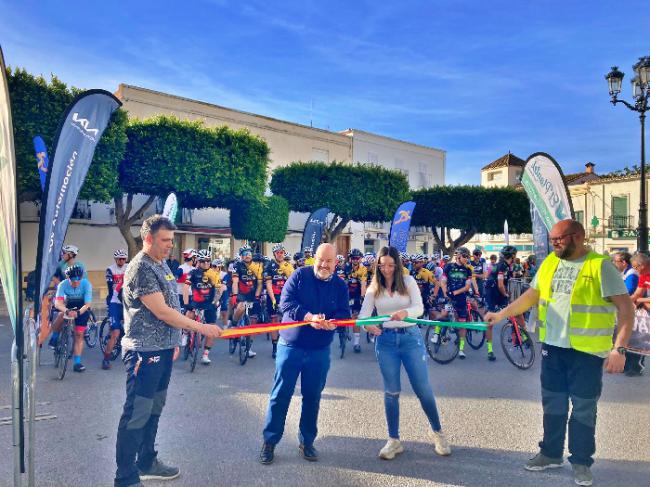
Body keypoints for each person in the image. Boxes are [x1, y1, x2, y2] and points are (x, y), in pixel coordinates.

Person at [485, 219, 633, 487]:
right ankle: (551, 454)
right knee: (553, 404)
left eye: (558, 239)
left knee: (583, 410)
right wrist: (502, 314)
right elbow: (531, 295)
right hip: (553, 347)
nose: (553, 243)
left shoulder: (600, 265)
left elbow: (626, 309)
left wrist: (619, 348)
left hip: (587, 352)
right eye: (552, 239)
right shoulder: (550, 263)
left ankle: (581, 462)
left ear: (577, 236)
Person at [115, 215, 222, 487]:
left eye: (172, 240)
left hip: (162, 350)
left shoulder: (160, 264)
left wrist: (174, 342)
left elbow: (171, 304)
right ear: (147, 238)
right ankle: (125, 477)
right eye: (165, 240)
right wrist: (200, 327)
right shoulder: (141, 268)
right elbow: (162, 312)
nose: (170, 246)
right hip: (144, 353)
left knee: (155, 408)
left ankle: (147, 461)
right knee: (137, 411)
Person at [260, 243, 350, 465]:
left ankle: (307, 441)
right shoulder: (300, 275)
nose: (323, 264)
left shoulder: (340, 285)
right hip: (291, 346)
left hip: (319, 350)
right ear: (314, 259)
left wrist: (333, 323)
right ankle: (269, 441)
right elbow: (286, 303)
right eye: (320, 259)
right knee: (280, 395)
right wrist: (309, 317)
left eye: (329, 261)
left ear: (336, 263)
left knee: (312, 397)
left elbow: (344, 313)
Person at [359, 246, 450, 460]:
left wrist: (405, 313)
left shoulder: (408, 282)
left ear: (397, 265)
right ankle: (394, 440)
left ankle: (437, 432)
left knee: (423, 389)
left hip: (410, 338)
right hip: (386, 342)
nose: (386, 269)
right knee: (391, 392)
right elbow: (363, 316)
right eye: (382, 265)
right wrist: (367, 327)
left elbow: (419, 308)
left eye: (391, 265)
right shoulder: (374, 287)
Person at [49, 264, 93, 372]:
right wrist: (67, 311)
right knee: (60, 315)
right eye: (73, 280)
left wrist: (78, 313)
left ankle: (77, 363)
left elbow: (87, 304)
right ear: (68, 278)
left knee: (79, 334)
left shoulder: (86, 284)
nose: (76, 282)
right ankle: (54, 337)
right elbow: (58, 303)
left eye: (78, 280)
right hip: (67, 305)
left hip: (82, 306)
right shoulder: (63, 285)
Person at [183, 249, 223, 365]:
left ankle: (205, 354)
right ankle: (185, 333)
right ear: (198, 262)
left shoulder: (214, 274)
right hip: (196, 302)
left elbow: (218, 290)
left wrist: (216, 301)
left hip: (209, 304)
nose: (206, 264)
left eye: (208, 261)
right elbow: (186, 288)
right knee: (189, 315)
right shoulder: (193, 273)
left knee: (211, 329)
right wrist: (186, 303)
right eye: (203, 261)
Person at [483, 245, 519, 362]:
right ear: (512, 256)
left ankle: (520, 335)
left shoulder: (508, 266)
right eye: (515, 255)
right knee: (490, 322)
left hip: (499, 291)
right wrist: (506, 294)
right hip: (493, 293)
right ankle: (489, 350)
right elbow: (500, 284)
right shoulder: (502, 266)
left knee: (514, 311)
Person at [230, 245, 263, 358]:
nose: (247, 255)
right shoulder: (237, 265)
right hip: (241, 293)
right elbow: (235, 282)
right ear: (241, 256)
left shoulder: (257, 266)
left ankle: (248, 346)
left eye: (249, 253)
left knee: (253, 321)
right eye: (245, 254)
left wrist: (257, 296)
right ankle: (234, 323)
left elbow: (259, 283)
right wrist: (234, 294)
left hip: (253, 294)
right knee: (241, 307)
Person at [440, 247, 473, 359]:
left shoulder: (468, 270)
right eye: (465, 256)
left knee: (462, 323)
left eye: (468, 257)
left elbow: (467, 286)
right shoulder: (449, 266)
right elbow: (443, 281)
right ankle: (436, 334)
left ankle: (461, 349)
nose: (466, 259)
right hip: (449, 297)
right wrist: (445, 293)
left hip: (461, 298)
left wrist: (455, 292)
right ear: (458, 256)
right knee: (444, 314)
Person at [265, 244, 295, 358]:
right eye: (277, 252)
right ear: (274, 254)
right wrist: (273, 299)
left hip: (286, 296)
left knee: (287, 320)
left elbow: (293, 283)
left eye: (281, 252)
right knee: (274, 321)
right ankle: (274, 346)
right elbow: (268, 284)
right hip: (273, 295)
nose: (280, 254)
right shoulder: (269, 266)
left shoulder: (288, 265)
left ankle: (287, 343)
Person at [103, 249, 128, 370]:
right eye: (119, 259)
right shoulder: (110, 269)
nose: (122, 261)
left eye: (124, 259)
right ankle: (106, 359)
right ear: (115, 259)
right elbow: (110, 287)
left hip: (127, 301)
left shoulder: (129, 268)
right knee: (115, 333)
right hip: (115, 301)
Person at [345, 248, 368, 352]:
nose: (355, 260)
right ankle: (342, 330)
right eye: (353, 258)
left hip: (357, 295)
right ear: (350, 259)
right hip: (346, 294)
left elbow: (363, 284)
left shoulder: (363, 269)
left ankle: (356, 343)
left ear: (360, 259)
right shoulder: (345, 268)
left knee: (355, 317)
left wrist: (363, 297)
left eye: (357, 258)